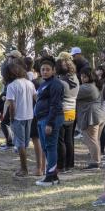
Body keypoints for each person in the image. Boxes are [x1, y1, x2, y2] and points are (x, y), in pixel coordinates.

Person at [33, 56, 64, 186]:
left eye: (47, 69)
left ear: (53, 71)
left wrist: (50, 123)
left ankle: (50, 176)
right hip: (41, 118)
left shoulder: (55, 84)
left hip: (51, 118)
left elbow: (55, 105)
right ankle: (54, 175)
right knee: (45, 147)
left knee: (51, 146)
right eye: (43, 69)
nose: (45, 72)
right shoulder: (43, 83)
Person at [5, 62, 35, 177]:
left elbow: (12, 105)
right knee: (25, 143)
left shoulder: (12, 86)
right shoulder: (29, 83)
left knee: (20, 144)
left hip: (18, 116)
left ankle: (24, 169)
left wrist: (12, 118)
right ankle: (24, 167)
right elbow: (35, 97)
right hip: (29, 115)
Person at [76, 68, 105, 169]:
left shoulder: (86, 87)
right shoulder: (96, 85)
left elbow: (72, 93)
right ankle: (97, 160)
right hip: (100, 114)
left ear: (90, 77)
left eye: (85, 76)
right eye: (81, 76)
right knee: (95, 139)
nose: (82, 78)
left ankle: (95, 162)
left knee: (92, 140)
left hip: (92, 116)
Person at [56, 52, 79, 174]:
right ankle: (70, 164)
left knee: (61, 141)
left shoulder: (61, 82)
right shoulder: (75, 78)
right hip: (72, 111)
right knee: (69, 140)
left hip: (62, 112)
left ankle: (61, 165)